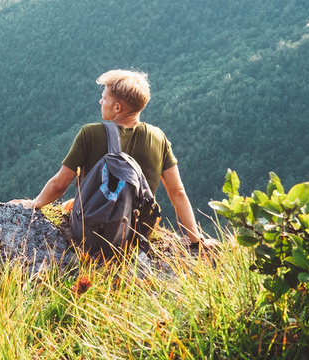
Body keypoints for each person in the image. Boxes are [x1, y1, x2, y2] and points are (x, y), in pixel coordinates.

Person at [12, 69, 214, 251]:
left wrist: (34, 204)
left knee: (72, 205)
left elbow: (59, 184)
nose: (101, 102)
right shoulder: (158, 137)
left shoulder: (90, 133)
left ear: (117, 107)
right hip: (137, 235)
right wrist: (197, 240)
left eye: (104, 98)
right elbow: (177, 192)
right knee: (72, 203)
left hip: (90, 231)